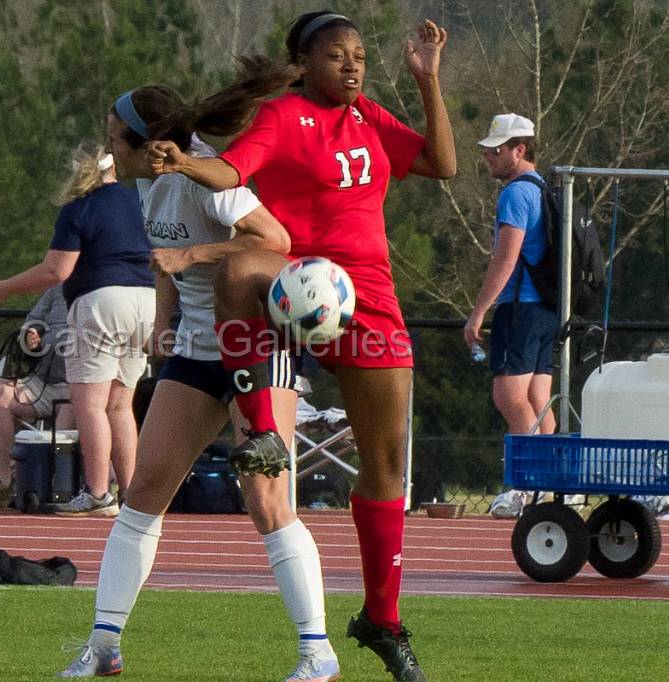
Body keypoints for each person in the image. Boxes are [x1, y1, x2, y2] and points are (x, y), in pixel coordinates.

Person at [147, 12, 456, 681]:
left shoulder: (370, 117)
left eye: (360, 57)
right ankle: (259, 429)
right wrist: (187, 163)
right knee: (238, 272)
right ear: (306, 61)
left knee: (386, 468)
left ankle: (382, 619)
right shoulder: (284, 116)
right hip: (295, 280)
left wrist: (429, 82)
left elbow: (441, 163)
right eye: (338, 56)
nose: (353, 66)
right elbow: (233, 172)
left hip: (366, 294)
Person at [58, 88, 338, 682]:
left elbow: (275, 241)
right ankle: (104, 646)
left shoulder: (210, 177)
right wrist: (163, 322)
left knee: (266, 502)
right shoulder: (144, 181)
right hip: (194, 353)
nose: (107, 146)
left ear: (148, 144)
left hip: (256, 351)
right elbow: (166, 259)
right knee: (141, 498)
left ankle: (318, 654)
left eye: (114, 136)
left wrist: (193, 255)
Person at [0, 145, 155, 517]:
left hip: (101, 303)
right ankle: (133, 496)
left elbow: (55, 271)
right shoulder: (139, 200)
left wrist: (4, 287)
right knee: (121, 406)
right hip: (146, 300)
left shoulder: (80, 208)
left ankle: (96, 493)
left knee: (89, 405)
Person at [463, 114, 560, 519]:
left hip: (520, 307)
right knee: (538, 399)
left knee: (509, 396)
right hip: (547, 309)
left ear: (520, 149)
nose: (489, 156)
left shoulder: (516, 194)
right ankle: (551, 484)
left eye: (496, 150)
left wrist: (478, 312)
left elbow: (505, 258)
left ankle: (525, 486)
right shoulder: (545, 189)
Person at [0, 285, 75, 509]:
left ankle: (58, 483)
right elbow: (32, 320)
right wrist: (31, 333)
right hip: (43, 382)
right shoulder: (55, 290)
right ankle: (2, 483)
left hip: (84, 384)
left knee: (76, 404)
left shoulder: (101, 289)